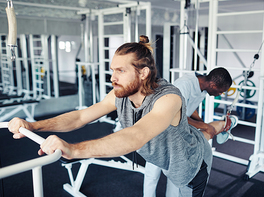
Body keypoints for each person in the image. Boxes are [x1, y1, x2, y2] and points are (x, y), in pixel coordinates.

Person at [9, 35, 217, 197]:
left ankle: (222, 125)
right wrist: (33, 125)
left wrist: (73, 149)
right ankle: (217, 127)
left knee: (202, 143)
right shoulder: (120, 94)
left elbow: (135, 136)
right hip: (168, 156)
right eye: (112, 70)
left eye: (120, 71)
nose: (112, 77)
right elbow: (81, 117)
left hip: (192, 164)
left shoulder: (168, 98)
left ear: (143, 73)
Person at [143, 67, 238, 197]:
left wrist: (201, 123)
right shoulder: (184, 85)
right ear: (213, 85)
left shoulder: (203, 88)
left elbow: (189, 107)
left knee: (176, 173)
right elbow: (175, 113)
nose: (220, 94)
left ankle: (225, 125)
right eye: (220, 91)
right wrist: (204, 126)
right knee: (153, 173)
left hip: (177, 132)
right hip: (159, 131)